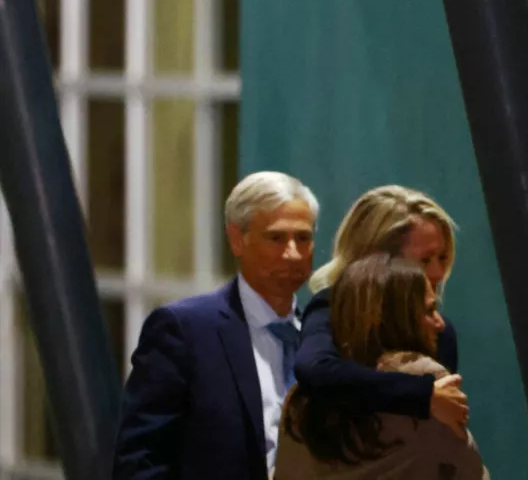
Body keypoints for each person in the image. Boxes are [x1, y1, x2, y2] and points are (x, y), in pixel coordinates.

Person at [113, 171, 320, 480]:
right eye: (276, 238)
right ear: (237, 239)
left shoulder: (321, 336)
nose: (293, 253)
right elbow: (140, 459)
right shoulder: (185, 331)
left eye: (303, 238)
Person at [274, 253, 489, 479]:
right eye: (428, 310)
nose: (440, 323)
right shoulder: (424, 376)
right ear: (396, 317)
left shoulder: (299, 401)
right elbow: (470, 470)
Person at [295, 185, 469, 439]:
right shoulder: (332, 307)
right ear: (377, 259)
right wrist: (423, 395)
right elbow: (314, 371)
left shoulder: (439, 330)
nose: (438, 273)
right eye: (424, 260)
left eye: (442, 258)